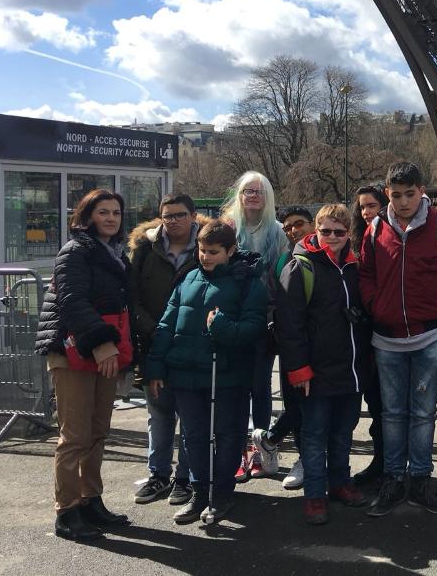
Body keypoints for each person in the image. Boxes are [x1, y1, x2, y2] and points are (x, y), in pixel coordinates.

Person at [358, 162, 437, 517]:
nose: (403, 201)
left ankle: (419, 478)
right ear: (387, 194)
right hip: (387, 337)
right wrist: (377, 307)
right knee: (392, 414)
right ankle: (394, 477)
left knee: (422, 413)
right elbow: (366, 275)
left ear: (422, 191)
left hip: (430, 335)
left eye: (409, 193)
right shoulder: (375, 229)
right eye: (396, 195)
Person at [146, 220, 268, 524]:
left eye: (213, 252)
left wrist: (223, 327)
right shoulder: (187, 279)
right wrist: (156, 367)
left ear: (230, 250)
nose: (206, 257)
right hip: (186, 376)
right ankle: (200, 493)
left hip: (226, 377)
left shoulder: (248, 283)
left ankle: (222, 493)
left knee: (227, 436)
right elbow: (165, 325)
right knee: (194, 437)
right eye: (202, 250)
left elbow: (254, 329)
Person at [36, 189, 133, 541]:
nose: (110, 218)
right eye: (103, 212)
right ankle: (66, 511)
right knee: (74, 436)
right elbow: (73, 301)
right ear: (87, 215)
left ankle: (91, 500)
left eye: (116, 213)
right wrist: (104, 343)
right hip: (73, 350)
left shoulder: (117, 255)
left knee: (97, 432)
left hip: (103, 353)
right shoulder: (74, 251)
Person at [276, 204, 371, 524]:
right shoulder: (299, 268)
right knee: (315, 436)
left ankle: (340, 482)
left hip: (350, 368)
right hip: (315, 372)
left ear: (348, 234)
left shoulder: (356, 267)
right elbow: (289, 325)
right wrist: (298, 368)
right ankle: (315, 495)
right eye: (325, 231)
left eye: (339, 232)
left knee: (343, 433)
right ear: (316, 230)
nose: (332, 237)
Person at [128, 193, 208, 506]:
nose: (172, 221)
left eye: (179, 215)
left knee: (191, 416)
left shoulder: (205, 246)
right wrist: (154, 328)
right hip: (152, 346)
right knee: (159, 415)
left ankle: (184, 479)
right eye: (167, 215)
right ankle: (158, 475)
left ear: (193, 215)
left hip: (190, 346)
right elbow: (131, 296)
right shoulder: (145, 250)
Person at [221, 171, 289, 482]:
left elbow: (281, 275)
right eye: (248, 191)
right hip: (231, 317)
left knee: (260, 388)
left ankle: (263, 450)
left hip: (263, 319)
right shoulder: (227, 227)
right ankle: (237, 454)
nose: (252, 196)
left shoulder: (276, 232)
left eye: (259, 191)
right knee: (234, 390)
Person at [254, 205, 317, 492]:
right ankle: (300, 457)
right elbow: (271, 302)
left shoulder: (325, 255)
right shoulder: (281, 261)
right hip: (290, 346)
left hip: (321, 346)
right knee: (296, 405)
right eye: (288, 226)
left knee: (313, 407)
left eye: (299, 224)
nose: (294, 230)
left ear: (312, 224)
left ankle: (271, 439)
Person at [350, 185, 389, 487]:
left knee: (389, 405)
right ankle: (382, 460)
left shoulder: (385, 238)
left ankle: (392, 463)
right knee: (376, 404)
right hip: (362, 336)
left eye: (372, 205)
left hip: (384, 330)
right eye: (362, 206)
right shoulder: (353, 242)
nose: (366, 212)